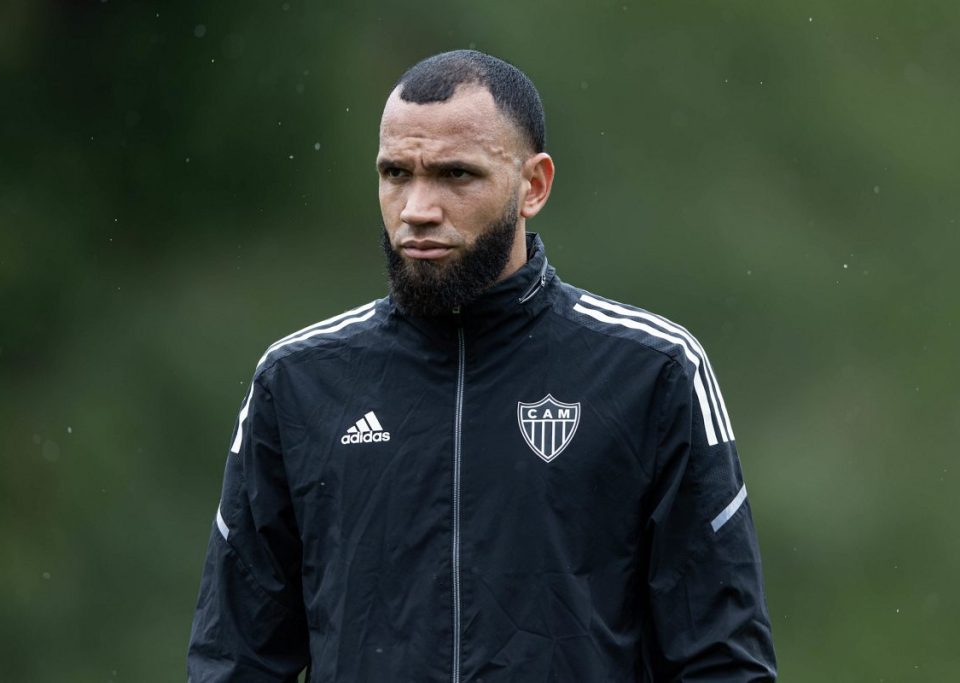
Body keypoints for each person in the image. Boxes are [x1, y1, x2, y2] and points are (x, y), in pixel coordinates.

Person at [188, 50, 777, 682]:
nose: (417, 208)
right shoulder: (298, 381)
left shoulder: (651, 370)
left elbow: (722, 661)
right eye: (396, 173)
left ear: (534, 186)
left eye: (456, 175)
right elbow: (236, 661)